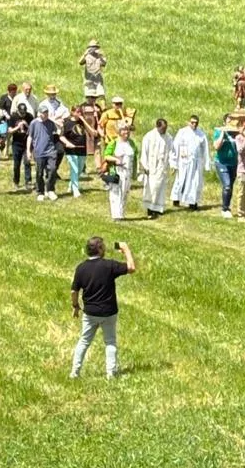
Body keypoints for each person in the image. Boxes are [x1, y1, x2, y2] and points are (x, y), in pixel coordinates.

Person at [70, 235, 136, 381]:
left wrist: (75, 306)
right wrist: (126, 250)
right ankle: (110, 374)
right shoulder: (109, 265)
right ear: (99, 249)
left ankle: (75, 372)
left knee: (84, 341)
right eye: (103, 246)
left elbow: (74, 291)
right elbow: (131, 267)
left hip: (90, 313)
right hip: (109, 312)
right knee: (110, 342)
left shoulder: (81, 268)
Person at [170, 116, 208, 210]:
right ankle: (176, 198)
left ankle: (192, 202)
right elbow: (175, 147)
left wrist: (206, 163)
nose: (194, 124)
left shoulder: (201, 134)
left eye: (196, 123)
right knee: (181, 180)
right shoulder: (182, 132)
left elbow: (205, 149)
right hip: (183, 161)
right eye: (192, 122)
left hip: (196, 163)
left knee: (195, 182)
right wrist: (173, 162)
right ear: (188, 122)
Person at [139, 118, 173, 218]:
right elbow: (144, 152)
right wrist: (145, 166)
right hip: (151, 167)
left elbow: (172, 151)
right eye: (163, 128)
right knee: (151, 188)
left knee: (161, 188)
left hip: (162, 167)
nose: (164, 130)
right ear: (158, 127)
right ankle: (150, 209)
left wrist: (172, 164)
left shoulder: (168, 137)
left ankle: (158, 208)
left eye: (165, 128)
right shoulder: (149, 136)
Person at [102, 122, 136, 221]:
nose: (126, 132)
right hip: (117, 171)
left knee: (125, 192)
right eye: (124, 130)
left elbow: (135, 156)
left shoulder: (131, 143)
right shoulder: (114, 143)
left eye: (127, 130)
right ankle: (116, 215)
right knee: (116, 192)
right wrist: (116, 160)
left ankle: (122, 213)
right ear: (119, 132)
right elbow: (106, 155)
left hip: (128, 172)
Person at [28, 105, 61, 201]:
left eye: (46, 112)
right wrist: (29, 151)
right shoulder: (34, 123)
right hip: (39, 152)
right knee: (39, 173)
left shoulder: (51, 123)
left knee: (53, 170)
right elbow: (30, 137)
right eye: (44, 113)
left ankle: (50, 190)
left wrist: (60, 126)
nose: (45, 114)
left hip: (50, 151)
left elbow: (58, 133)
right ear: (39, 113)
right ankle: (40, 192)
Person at [60, 108, 89, 198]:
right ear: (72, 112)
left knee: (79, 169)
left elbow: (92, 132)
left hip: (82, 149)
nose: (79, 114)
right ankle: (76, 191)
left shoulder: (82, 122)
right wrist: (67, 143)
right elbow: (61, 136)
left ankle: (71, 184)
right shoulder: (67, 123)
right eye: (77, 112)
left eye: (81, 112)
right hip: (71, 150)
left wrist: (84, 120)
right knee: (74, 169)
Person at [212, 124, 238, 220]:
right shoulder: (219, 132)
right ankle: (225, 209)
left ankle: (227, 205)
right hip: (221, 162)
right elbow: (216, 147)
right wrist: (223, 133)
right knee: (227, 185)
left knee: (230, 186)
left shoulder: (236, 132)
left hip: (234, 163)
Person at [9, 95, 35, 190]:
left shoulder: (29, 116)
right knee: (17, 164)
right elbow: (10, 131)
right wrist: (17, 127)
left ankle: (28, 181)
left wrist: (26, 125)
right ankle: (16, 181)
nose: (23, 115)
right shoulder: (13, 117)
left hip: (27, 143)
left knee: (27, 162)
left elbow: (33, 130)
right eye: (21, 113)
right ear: (18, 111)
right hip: (16, 143)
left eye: (24, 113)